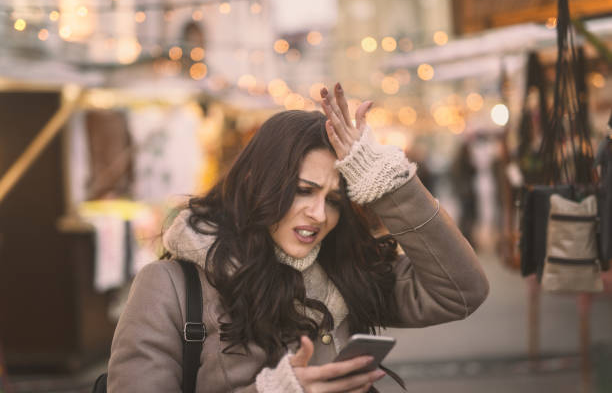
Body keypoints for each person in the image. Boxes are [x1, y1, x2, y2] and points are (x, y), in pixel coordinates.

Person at [108, 83, 489, 392]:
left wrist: (386, 184)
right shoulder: (169, 288)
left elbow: (461, 291)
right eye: (303, 190)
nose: (320, 214)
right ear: (260, 185)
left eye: (335, 200)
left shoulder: (346, 269)